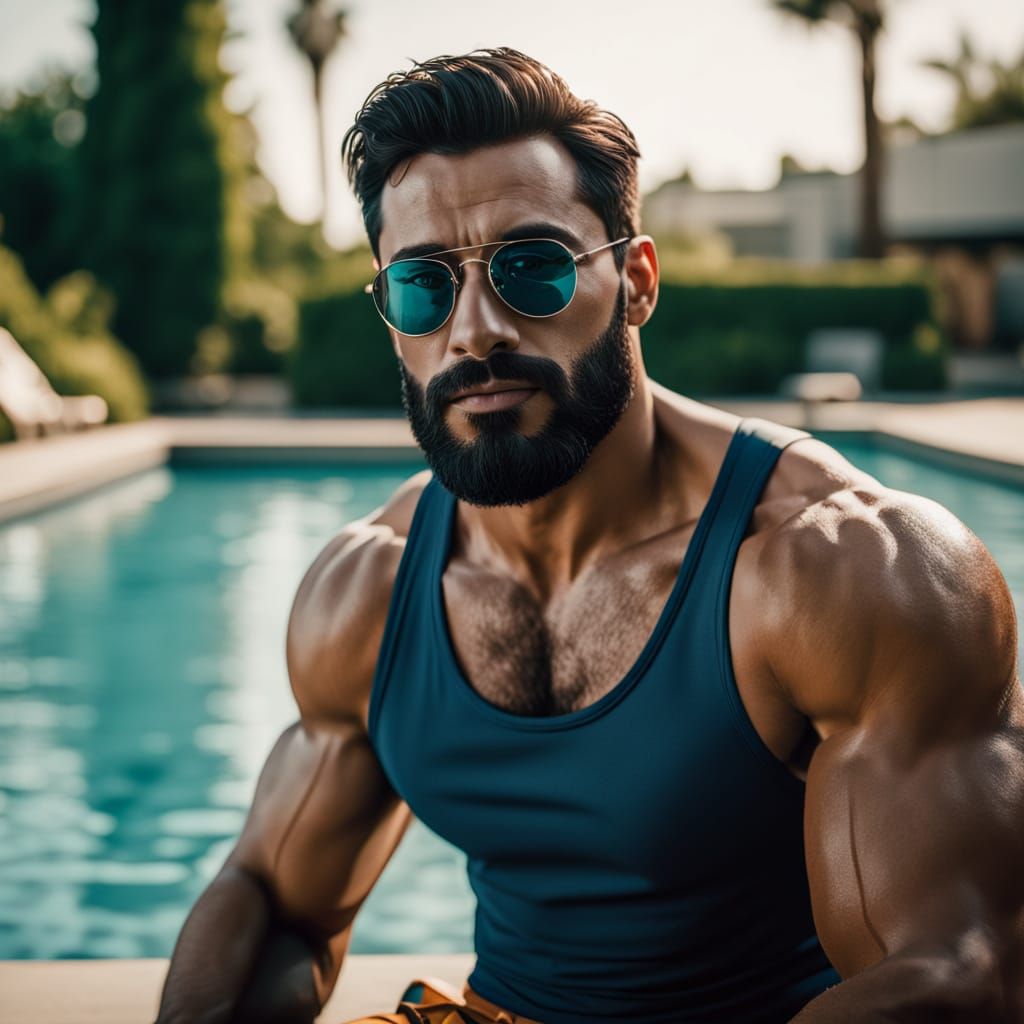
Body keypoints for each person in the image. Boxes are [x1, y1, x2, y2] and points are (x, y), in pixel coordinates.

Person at [154, 48, 1024, 1024]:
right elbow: (274, 904)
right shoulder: (368, 587)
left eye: (531, 268)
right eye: (422, 286)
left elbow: (955, 974)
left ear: (637, 280)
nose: (474, 328)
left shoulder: (839, 568)